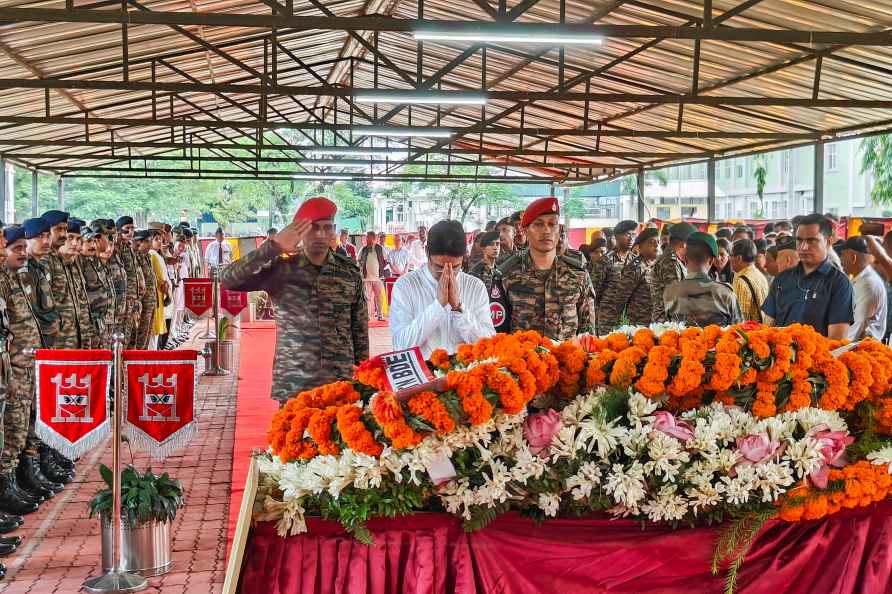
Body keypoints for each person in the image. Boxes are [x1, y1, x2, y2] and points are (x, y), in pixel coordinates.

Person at [222, 197, 368, 404]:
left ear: (334, 230)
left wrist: (363, 380)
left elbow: (359, 329)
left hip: (340, 383)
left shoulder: (349, 272)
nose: (321, 234)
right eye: (313, 228)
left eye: (327, 228)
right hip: (295, 382)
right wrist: (274, 246)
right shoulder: (282, 269)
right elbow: (229, 280)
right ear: (299, 231)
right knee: (292, 436)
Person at [390, 221, 495, 357]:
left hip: (465, 374)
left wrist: (458, 308)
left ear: (465, 257)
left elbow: (489, 344)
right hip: (424, 375)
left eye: (456, 267)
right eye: (440, 267)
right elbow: (401, 345)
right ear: (427, 253)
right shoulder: (405, 286)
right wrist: (438, 306)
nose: (448, 273)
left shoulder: (475, 287)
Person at [499, 197, 594, 341]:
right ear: (525, 230)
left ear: (559, 229)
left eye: (552, 224)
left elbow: (588, 331)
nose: (546, 231)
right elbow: (499, 330)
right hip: (524, 360)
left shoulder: (577, 274)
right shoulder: (507, 274)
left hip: (568, 360)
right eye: (538, 224)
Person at [762, 213, 853, 339]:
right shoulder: (782, 279)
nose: (803, 247)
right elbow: (767, 327)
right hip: (781, 355)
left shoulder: (839, 283)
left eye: (812, 241)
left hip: (816, 357)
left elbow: (836, 342)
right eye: (799, 240)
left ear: (828, 242)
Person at [664, 232, 742, 327]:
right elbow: (739, 332)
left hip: (683, 341)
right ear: (711, 261)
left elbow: (667, 328)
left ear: (685, 260)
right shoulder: (725, 293)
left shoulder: (670, 292)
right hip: (717, 341)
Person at [599, 227, 660, 330]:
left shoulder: (658, 266)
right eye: (651, 242)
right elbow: (620, 299)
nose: (656, 245)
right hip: (639, 325)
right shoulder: (635, 268)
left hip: (655, 323)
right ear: (640, 247)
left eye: (658, 242)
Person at [591, 220, 637, 334]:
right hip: (607, 319)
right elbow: (594, 292)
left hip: (629, 319)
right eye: (627, 234)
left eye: (633, 234)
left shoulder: (635, 260)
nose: (631, 238)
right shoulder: (605, 261)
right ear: (616, 237)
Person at [840, 236, 886, 341]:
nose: (841, 260)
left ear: (853, 257)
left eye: (842, 255)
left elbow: (858, 325)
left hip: (860, 350)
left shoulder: (868, 284)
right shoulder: (861, 280)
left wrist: (837, 349)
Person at [650, 222, 696, 323]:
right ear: (684, 244)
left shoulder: (674, 260)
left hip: (669, 321)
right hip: (667, 324)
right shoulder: (670, 262)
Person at [80, 226, 116, 348]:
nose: (93, 245)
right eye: (88, 241)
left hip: (100, 322)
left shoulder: (93, 261)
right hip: (88, 323)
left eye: (94, 241)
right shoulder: (79, 264)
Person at [116, 216, 144, 347]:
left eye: (132, 229)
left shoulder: (129, 246)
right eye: (127, 229)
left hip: (134, 299)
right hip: (124, 301)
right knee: (124, 337)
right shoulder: (116, 248)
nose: (130, 232)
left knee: (134, 335)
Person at [730, 238, 770, 323]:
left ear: (739, 258)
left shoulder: (741, 280)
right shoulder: (760, 275)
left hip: (749, 333)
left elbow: (740, 318)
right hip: (762, 329)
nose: (730, 259)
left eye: (731, 255)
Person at [149, 231, 172, 349]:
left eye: (160, 239)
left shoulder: (158, 255)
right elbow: (160, 278)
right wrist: (167, 291)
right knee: (153, 333)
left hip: (159, 294)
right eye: (156, 239)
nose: (159, 241)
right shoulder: (152, 255)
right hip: (157, 295)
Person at [358, 231, 387, 321]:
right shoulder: (363, 249)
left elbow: (385, 261)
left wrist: (380, 270)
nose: (367, 239)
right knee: (367, 298)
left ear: (373, 239)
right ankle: (368, 316)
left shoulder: (380, 248)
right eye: (366, 237)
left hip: (378, 278)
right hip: (366, 278)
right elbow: (358, 260)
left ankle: (380, 315)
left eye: (368, 237)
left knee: (379, 297)